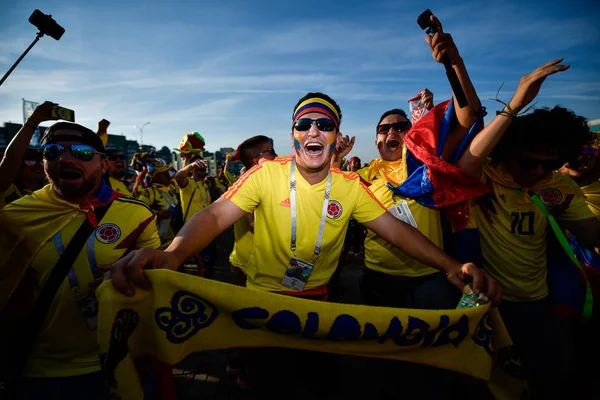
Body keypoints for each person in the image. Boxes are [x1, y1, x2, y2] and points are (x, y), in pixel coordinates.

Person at [108, 91, 500, 398]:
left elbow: (397, 232)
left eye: (324, 124)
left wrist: (450, 265)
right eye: (305, 123)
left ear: (335, 135)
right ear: (294, 134)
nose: (314, 130)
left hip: (319, 305)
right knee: (269, 387)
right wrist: (174, 253)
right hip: (259, 306)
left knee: (314, 384)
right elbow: (213, 216)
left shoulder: (350, 187)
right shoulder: (266, 174)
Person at [453, 59, 600, 399]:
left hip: (540, 305)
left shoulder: (559, 187)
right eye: (528, 162)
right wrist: (514, 105)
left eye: (548, 164)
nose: (537, 171)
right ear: (509, 151)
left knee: (551, 380)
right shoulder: (485, 177)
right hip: (487, 305)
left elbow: (593, 236)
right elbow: (464, 168)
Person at [0, 122, 160, 400]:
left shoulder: (137, 215)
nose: (65, 159)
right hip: (37, 368)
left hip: (118, 358)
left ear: (103, 165)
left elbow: (159, 278)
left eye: (83, 152)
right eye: (52, 152)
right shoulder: (15, 216)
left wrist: (134, 274)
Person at [0, 101, 56, 208]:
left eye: (41, 161)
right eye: (30, 161)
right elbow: (10, 160)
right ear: (19, 166)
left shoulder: (55, 191)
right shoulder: (6, 189)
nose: (38, 165)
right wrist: (33, 121)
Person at [138, 158, 179, 244]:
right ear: (156, 176)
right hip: (159, 239)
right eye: (164, 173)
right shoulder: (149, 192)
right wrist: (158, 215)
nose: (169, 174)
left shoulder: (172, 187)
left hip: (176, 236)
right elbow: (140, 215)